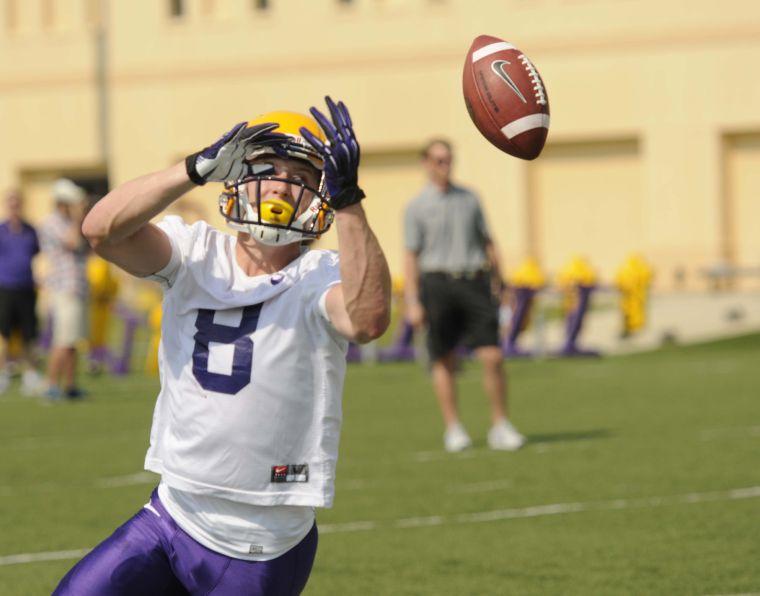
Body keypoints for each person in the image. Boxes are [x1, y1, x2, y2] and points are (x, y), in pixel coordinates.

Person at [54, 98, 391, 595]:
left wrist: (351, 204)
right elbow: (100, 229)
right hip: (171, 514)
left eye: (297, 174)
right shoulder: (194, 252)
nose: (278, 183)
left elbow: (367, 320)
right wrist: (192, 170)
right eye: (267, 168)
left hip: (262, 542)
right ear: (236, 173)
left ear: (319, 193)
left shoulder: (320, 275)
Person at [404, 139, 524, 452]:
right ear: (426, 163)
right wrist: (412, 300)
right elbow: (410, 255)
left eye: (449, 160)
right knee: (443, 358)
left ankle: (500, 424)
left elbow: (488, 242)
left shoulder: (470, 199)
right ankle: (454, 428)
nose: (445, 165)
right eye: (439, 160)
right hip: (437, 285)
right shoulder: (416, 207)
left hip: (474, 281)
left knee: (493, 356)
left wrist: (503, 283)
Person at [40, 178, 90, 399]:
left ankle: (69, 386)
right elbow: (72, 241)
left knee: (73, 341)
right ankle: (50, 385)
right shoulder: (51, 223)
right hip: (64, 288)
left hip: (77, 286)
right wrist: (79, 216)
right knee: (62, 340)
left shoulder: (68, 221)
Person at [0, 189, 44, 395]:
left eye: (18, 202)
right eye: (11, 202)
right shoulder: (1, 231)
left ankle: (31, 374)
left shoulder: (30, 231)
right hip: (5, 289)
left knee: (29, 333)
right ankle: (3, 374)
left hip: (26, 288)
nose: (14, 206)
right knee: (4, 334)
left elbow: (35, 253)